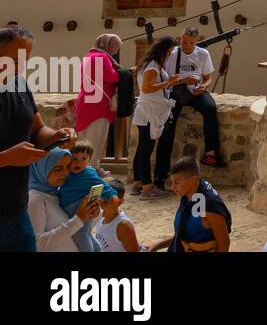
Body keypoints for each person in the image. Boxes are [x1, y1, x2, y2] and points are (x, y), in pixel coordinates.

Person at [1, 24, 76, 252]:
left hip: (15, 208)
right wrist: (6, 158)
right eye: (14, 60)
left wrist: (56, 135)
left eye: (25, 60)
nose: (20, 67)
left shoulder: (19, 84)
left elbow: (37, 129)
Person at [158, 27, 225, 168]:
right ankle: (162, 169)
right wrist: (184, 80)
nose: (187, 45)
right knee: (168, 126)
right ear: (180, 39)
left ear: (196, 41)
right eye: (184, 42)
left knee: (210, 109)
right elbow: (165, 79)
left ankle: (210, 154)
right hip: (174, 92)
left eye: (190, 43)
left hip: (195, 92)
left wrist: (204, 87)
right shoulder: (172, 54)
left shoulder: (203, 54)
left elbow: (207, 78)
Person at [131, 37, 183, 199]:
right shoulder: (153, 67)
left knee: (142, 149)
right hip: (149, 112)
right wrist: (168, 82)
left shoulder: (149, 64)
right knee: (146, 150)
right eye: (169, 51)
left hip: (147, 111)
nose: (169, 55)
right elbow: (147, 88)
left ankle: (137, 182)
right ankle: (148, 188)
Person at [148, 156, 231, 252]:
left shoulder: (209, 205)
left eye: (177, 182)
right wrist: (157, 246)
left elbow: (224, 243)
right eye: (172, 182)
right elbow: (184, 232)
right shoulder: (189, 193)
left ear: (193, 179)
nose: (172, 187)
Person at [27, 148, 100, 252]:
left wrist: (91, 214)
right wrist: (78, 219)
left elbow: (79, 232)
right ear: (42, 169)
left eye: (68, 166)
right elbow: (37, 244)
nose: (65, 173)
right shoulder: (35, 199)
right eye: (58, 169)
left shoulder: (58, 193)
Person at [74, 34, 121, 170]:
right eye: (116, 47)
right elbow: (112, 76)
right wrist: (127, 72)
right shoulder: (101, 57)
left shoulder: (89, 56)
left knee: (84, 139)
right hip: (98, 105)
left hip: (86, 101)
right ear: (109, 45)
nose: (117, 51)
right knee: (96, 140)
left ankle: (85, 167)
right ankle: (92, 169)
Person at [59, 140, 108, 247]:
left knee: (81, 235)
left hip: (80, 208)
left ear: (89, 160)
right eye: (75, 159)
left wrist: (112, 195)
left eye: (84, 159)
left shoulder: (87, 173)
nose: (78, 162)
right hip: (75, 208)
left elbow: (103, 185)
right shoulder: (68, 173)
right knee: (86, 234)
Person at [95, 179, 140, 253]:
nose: (101, 204)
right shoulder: (100, 217)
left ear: (120, 202)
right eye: (100, 199)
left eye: (106, 202)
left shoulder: (123, 226)